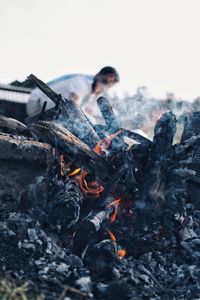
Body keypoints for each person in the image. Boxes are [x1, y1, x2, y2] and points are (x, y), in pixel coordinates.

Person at [27, 66, 120, 124]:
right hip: (37, 102)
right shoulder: (82, 82)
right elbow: (74, 105)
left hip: (49, 108)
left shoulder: (91, 90)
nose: (105, 89)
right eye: (106, 85)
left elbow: (89, 111)